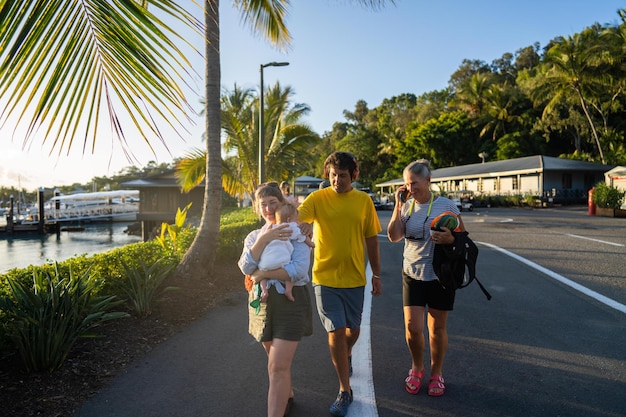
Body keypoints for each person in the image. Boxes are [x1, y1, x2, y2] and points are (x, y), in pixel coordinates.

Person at [297, 151, 382, 417]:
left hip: (355, 278)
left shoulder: (363, 201)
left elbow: (372, 240)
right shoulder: (317, 199)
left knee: (352, 330)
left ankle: (346, 354)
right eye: (333, 175)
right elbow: (297, 221)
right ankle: (344, 390)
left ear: (354, 176)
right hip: (324, 276)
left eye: (342, 176)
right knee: (335, 330)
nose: (337, 181)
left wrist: (376, 274)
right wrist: (301, 228)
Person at [386, 159, 465, 397]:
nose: (411, 188)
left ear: (428, 181)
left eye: (415, 183)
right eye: (407, 184)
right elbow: (393, 236)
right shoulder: (406, 206)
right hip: (412, 273)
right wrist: (397, 206)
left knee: (437, 328)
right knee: (412, 327)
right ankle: (417, 367)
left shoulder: (447, 206)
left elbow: (463, 238)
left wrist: (451, 240)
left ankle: (437, 373)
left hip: (440, 274)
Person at [238, 184, 313, 417]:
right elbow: (245, 267)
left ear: (282, 204)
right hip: (262, 303)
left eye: (273, 202)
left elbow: (298, 271)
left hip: (290, 302)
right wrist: (265, 239)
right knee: (274, 360)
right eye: (263, 204)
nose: (269, 208)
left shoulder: (295, 231)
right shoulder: (253, 236)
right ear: (257, 208)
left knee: (277, 366)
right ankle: (287, 394)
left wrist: (262, 274)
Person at [254, 202, 315, 304]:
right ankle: (288, 290)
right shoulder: (292, 227)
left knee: (262, 276)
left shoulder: (268, 230)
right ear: (289, 220)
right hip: (281, 261)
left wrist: (262, 273)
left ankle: (264, 291)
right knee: (290, 273)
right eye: (296, 219)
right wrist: (312, 244)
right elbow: (303, 238)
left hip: (265, 263)